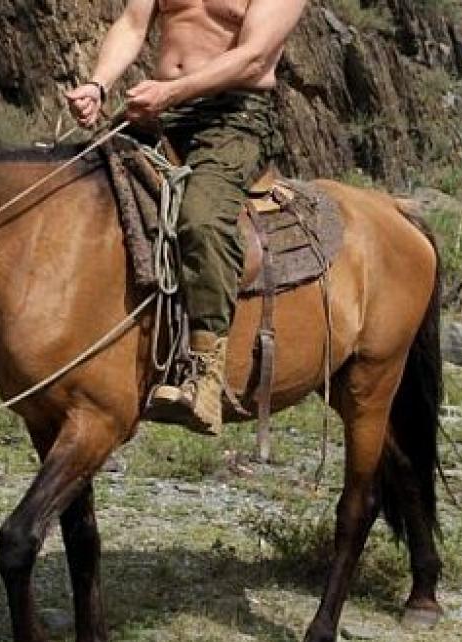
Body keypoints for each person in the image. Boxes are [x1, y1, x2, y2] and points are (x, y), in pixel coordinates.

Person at [66, 0, 308, 435]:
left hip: (234, 116)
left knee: (201, 219)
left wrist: (172, 91)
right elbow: (132, 24)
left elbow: (254, 58)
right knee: (78, 185)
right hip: (161, 112)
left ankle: (206, 372)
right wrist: (98, 85)